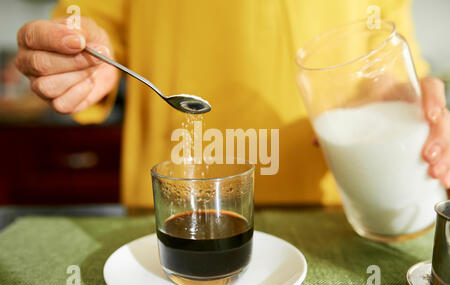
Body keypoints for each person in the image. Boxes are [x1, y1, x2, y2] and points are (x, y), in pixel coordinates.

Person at [14, 0, 450, 207]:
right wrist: (75, 51)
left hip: (341, 204)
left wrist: (401, 96)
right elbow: (90, 18)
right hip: (179, 198)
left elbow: (389, 40)